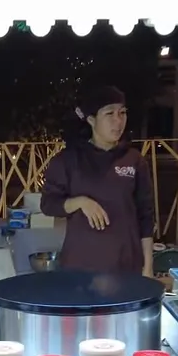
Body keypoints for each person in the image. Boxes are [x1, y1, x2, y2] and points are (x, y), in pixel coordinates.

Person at [40, 86, 155, 276]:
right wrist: (80, 202)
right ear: (91, 119)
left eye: (122, 113)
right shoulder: (69, 159)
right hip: (81, 265)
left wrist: (148, 266)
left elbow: (146, 215)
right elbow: (48, 204)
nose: (118, 121)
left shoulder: (134, 160)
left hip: (127, 265)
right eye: (109, 113)